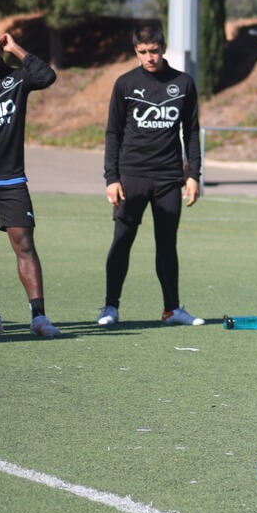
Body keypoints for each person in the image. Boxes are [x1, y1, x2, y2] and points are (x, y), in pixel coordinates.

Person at [98, 24, 204, 327]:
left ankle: (172, 309)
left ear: (163, 47)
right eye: (143, 52)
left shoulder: (183, 83)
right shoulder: (125, 84)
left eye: (154, 51)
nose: (149, 57)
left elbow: (192, 132)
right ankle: (110, 307)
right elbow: (112, 133)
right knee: (122, 240)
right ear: (136, 51)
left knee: (167, 243)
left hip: (169, 178)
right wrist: (111, 178)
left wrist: (193, 174)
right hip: (131, 177)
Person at [0, 23, 60, 338]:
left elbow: (46, 76)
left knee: (24, 245)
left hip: (12, 180)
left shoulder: (16, 78)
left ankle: (39, 317)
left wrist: (15, 48)